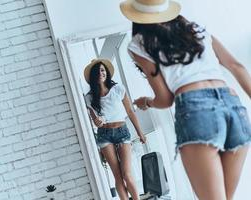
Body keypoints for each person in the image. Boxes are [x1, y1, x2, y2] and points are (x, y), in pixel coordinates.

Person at [120, 0, 251, 200]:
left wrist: (146, 102)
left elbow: (165, 99)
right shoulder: (196, 30)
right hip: (233, 107)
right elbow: (237, 67)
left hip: (197, 110)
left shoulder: (139, 43)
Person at [84, 58, 146, 200]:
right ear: (93, 76)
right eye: (97, 71)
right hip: (104, 135)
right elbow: (95, 120)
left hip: (122, 132)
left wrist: (140, 132)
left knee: (127, 174)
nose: (101, 73)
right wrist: (98, 122)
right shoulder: (89, 98)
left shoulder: (118, 89)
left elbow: (130, 112)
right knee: (117, 176)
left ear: (107, 73)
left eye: (103, 70)